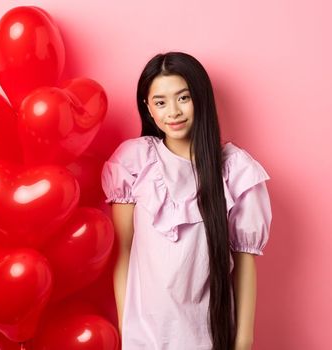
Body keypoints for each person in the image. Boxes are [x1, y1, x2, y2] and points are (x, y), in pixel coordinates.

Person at [102, 52, 271, 350]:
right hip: (146, 338)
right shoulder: (134, 162)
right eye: (160, 102)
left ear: (201, 99)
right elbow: (122, 253)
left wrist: (243, 341)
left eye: (183, 98)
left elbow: (244, 263)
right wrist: (125, 326)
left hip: (210, 336)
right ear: (148, 108)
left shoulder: (235, 170)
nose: (173, 112)